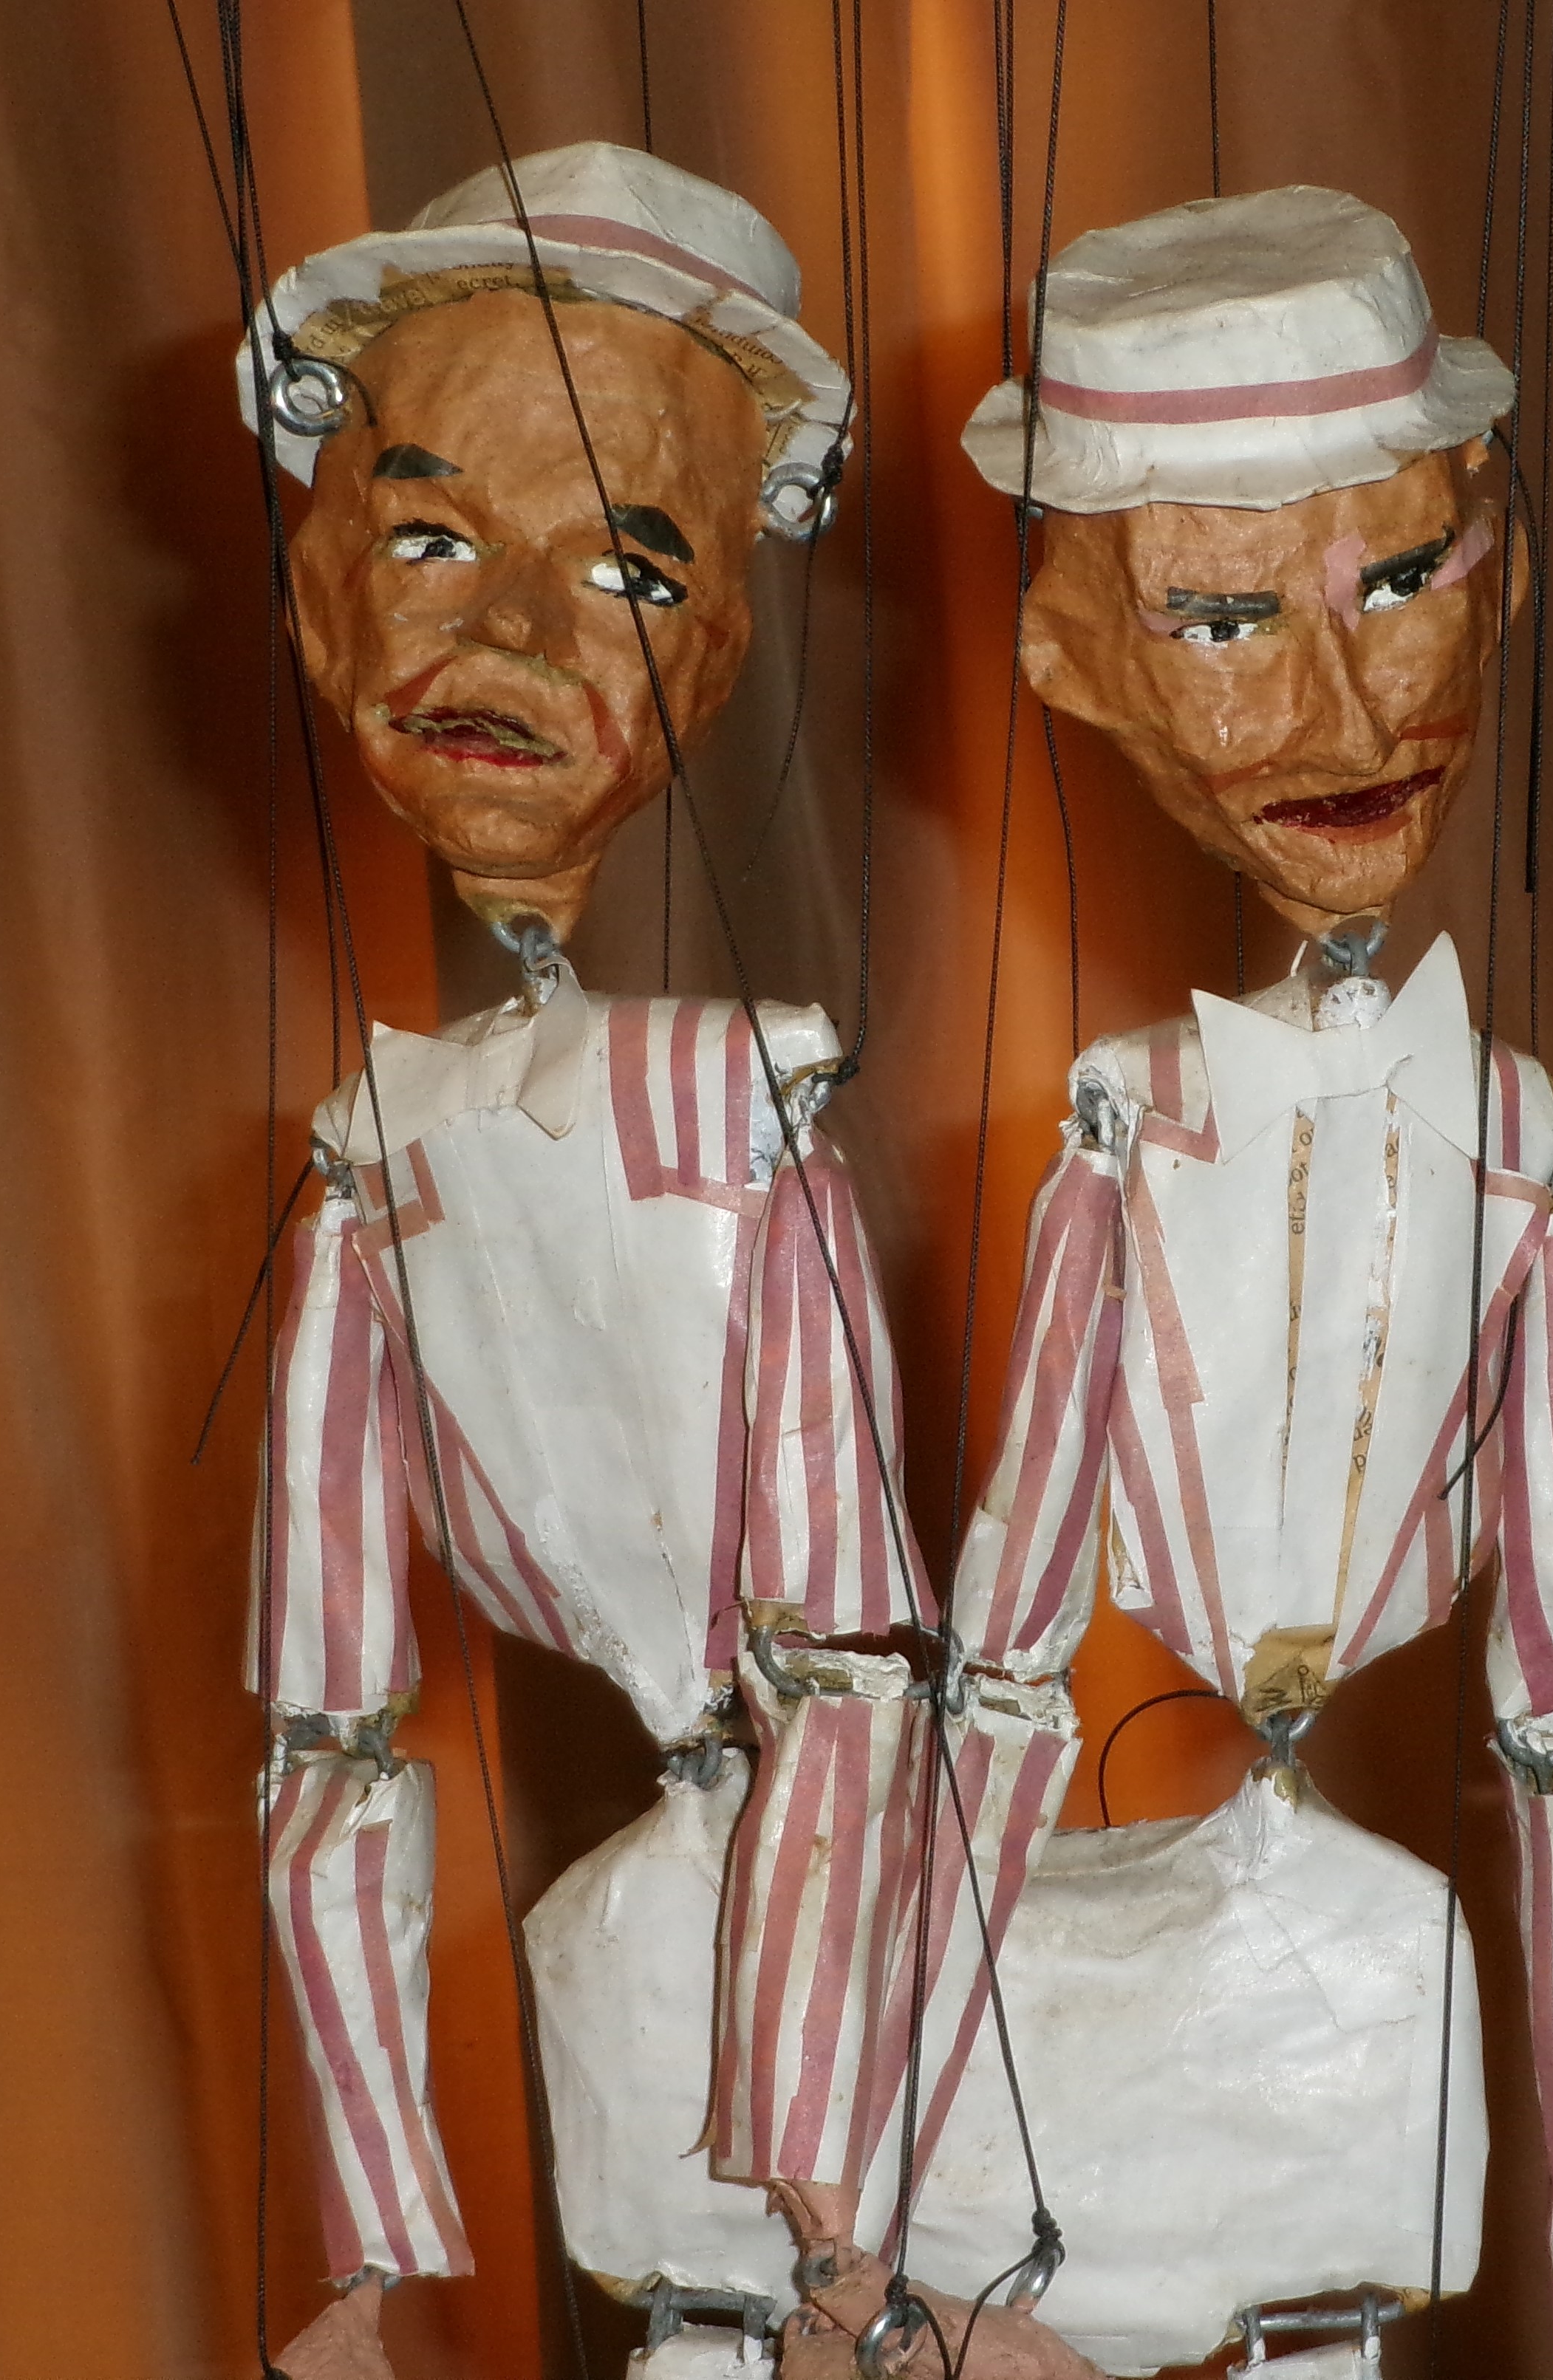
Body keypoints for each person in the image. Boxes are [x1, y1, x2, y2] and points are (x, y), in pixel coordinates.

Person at [910, 185, 1553, 2378]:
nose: (1346, 705)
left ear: (1499, 567)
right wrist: (902, 2223)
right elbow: (1005, 1650)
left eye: (1403, 585)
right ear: (1070, 661)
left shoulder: (1513, 1149)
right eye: (1228, 620)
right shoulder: (1121, 1137)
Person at [232, 143, 938, 2380]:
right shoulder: (376, 1165)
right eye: (432, 536)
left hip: (869, 2039)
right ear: (317, 588)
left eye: (627, 567)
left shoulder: (745, 1112)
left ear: (719, 647)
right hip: (666, 1995)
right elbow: (327, 1714)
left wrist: (838, 2221)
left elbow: (853, 1643)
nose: (517, 631)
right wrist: (367, 2267)